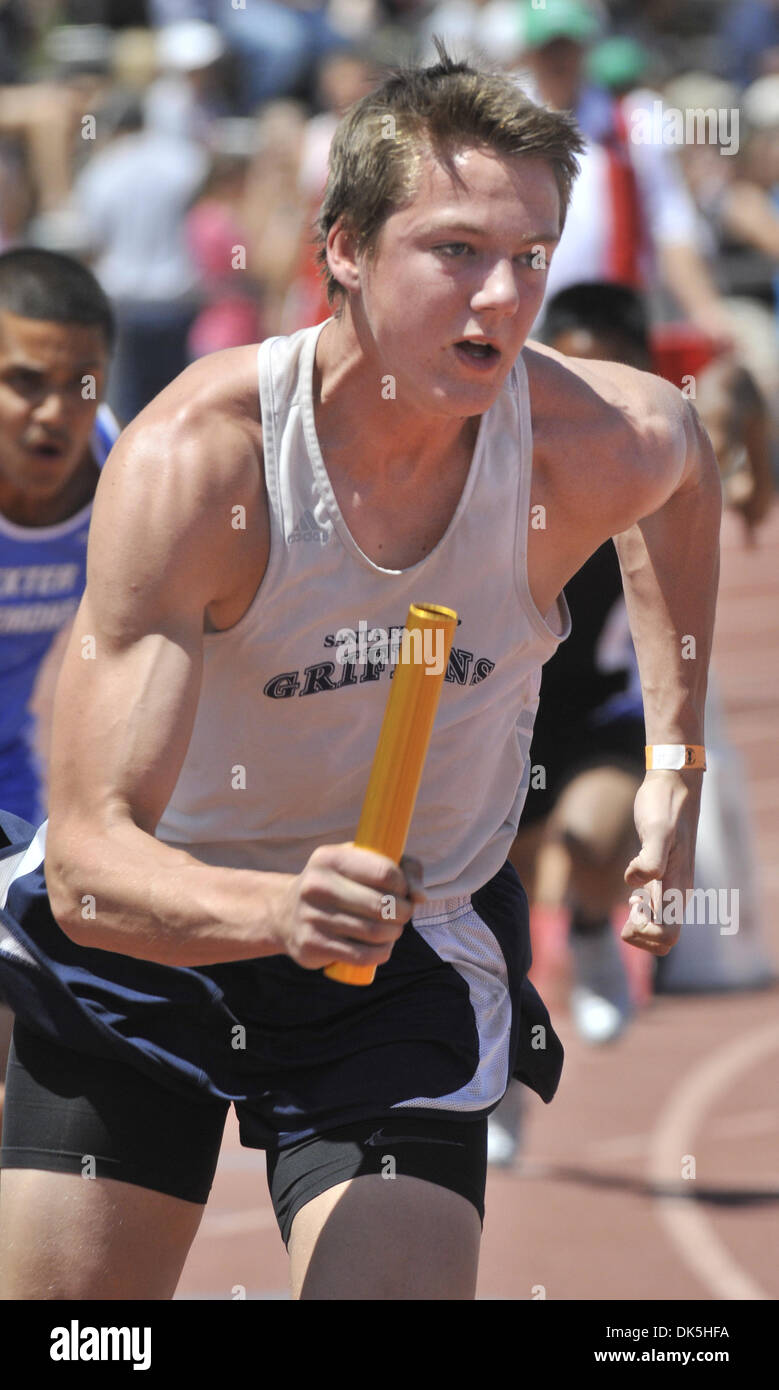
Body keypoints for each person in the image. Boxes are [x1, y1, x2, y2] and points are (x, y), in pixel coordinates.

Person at [0, 47, 721, 1302]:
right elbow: (88, 872)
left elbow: (684, 459)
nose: (502, 299)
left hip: (404, 948)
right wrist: (275, 911)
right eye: (454, 251)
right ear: (342, 247)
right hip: (154, 949)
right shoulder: (202, 465)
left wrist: (673, 760)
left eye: (531, 257)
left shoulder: (577, 445)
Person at [0, 247, 117, 1130]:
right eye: (23, 382)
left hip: (17, 782)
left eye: (80, 385)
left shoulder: (128, 477)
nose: (53, 414)